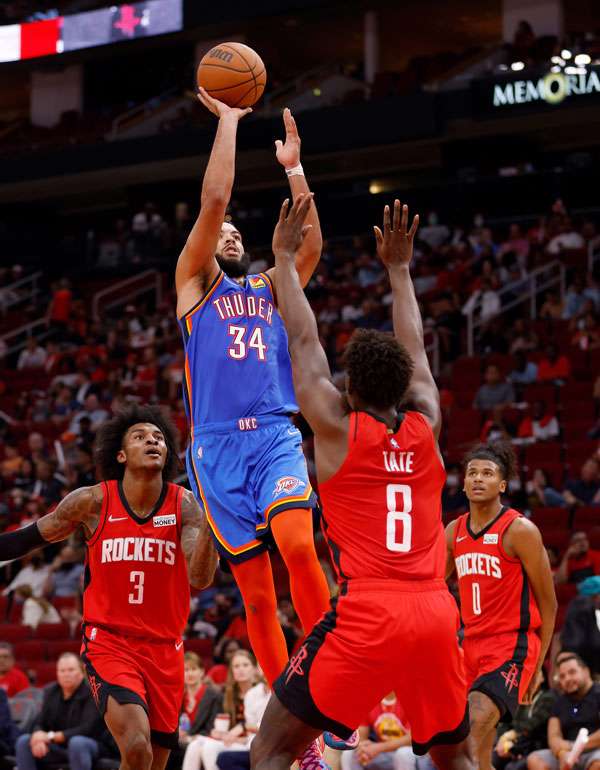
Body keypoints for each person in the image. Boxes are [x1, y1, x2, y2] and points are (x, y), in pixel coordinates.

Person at [251, 198, 470, 770]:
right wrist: (399, 270)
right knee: (457, 760)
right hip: (435, 611)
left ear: (349, 388)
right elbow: (416, 350)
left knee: (272, 750)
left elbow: (304, 344)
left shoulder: (336, 428)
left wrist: (282, 259)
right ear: (404, 387)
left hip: (368, 612)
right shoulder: (427, 424)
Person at [175, 87, 331, 704]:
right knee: (259, 597)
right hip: (215, 450)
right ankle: (293, 710)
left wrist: (294, 168)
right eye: (224, 233)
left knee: (298, 545)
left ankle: (330, 679)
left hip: (273, 435)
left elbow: (309, 246)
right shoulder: (194, 285)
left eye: (239, 232)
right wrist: (230, 122)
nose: (232, 234)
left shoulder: (269, 288)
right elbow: (215, 200)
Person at [0, 404, 218, 770]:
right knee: (137, 746)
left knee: (154, 763)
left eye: (159, 437)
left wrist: (213, 518)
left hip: (166, 648)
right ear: (120, 455)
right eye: (140, 436)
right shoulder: (93, 501)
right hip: (110, 643)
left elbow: (200, 577)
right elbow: (29, 538)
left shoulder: (185, 505)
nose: (152, 441)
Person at [446, 441, 557, 770]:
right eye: (472, 473)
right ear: (463, 483)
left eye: (487, 473)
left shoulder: (520, 530)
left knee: (468, 737)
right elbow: (432, 586)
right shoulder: (453, 532)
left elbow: (549, 604)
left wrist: (538, 667)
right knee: (479, 758)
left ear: (503, 485)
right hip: (470, 648)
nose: (478, 479)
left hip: (511, 647)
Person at [15, 652, 107, 770]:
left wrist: (50, 736)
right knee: (24, 742)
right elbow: (40, 722)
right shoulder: (50, 691)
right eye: (62, 671)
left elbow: (88, 729)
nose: (66, 674)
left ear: (81, 672)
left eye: (71, 670)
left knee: (77, 743)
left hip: (89, 745)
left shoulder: (92, 693)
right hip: (59, 746)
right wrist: (38, 736)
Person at [182, 650, 261, 770]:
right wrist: (218, 733)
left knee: (208, 747)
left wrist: (236, 736)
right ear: (231, 671)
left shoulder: (261, 693)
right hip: (231, 740)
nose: (241, 669)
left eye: (245, 665)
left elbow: (261, 728)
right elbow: (225, 726)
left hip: (251, 742)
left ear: (254, 669)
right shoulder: (228, 695)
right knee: (195, 745)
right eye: (236, 666)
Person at [526, 654, 600, 770]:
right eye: (562, 676)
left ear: (586, 671)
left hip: (594, 750)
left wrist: (573, 747)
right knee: (534, 759)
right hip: (566, 752)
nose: (567, 679)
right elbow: (553, 736)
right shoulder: (559, 701)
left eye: (572, 672)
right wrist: (561, 753)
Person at [341, 692, 419, 770]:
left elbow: (411, 739)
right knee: (349, 753)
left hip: (408, 752)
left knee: (403, 754)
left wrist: (378, 747)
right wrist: (364, 747)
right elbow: (361, 738)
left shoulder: (409, 700)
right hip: (381, 753)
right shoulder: (369, 701)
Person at [560, 576, 600, 676]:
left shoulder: (581, 605)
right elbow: (578, 643)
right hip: (583, 666)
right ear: (596, 595)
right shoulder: (582, 606)